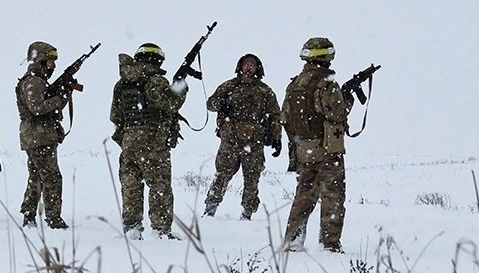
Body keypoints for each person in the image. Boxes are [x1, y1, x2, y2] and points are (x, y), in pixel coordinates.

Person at [281, 38, 353, 253]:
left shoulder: (294, 84)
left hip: (304, 149)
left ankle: (292, 240)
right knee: (332, 195)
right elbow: (337, 113)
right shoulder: (326, 84)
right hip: (327, 149)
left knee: (304, 196)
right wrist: (346, 99)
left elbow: (285, 117)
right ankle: (330, 244)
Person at [110, 43, 187, 239]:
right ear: (158, 60)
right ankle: (161, 231)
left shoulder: (122, 84)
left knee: (131, 186)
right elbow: (171, 104)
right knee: (159, 186)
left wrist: (130, 134)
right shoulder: (155, 81)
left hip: (129, 143)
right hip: (154, 144)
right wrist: (180, 86)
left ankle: (132, 229)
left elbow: (115, 116)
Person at [203, 54, 282, 219]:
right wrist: (220, 104)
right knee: (222, 175)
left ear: (257, 69)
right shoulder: (229, 86)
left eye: (252, 65)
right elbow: (210, 103)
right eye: (246, 65)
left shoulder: (264, 90)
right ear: (240, 66)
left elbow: (275, 115)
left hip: (254, 142)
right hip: (230, 141)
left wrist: (277, 138)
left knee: (252, 178)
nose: (248, 68)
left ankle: (247, 214)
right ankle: (210, 210)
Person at [16, 41, 70, 229]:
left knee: (37, 176)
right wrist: (58, 99)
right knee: (52, 177)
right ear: (40, 61)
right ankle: (53, 218)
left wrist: (63, 96)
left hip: (37, 136)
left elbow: (46, 108)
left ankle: (29, 214)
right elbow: (37, 108)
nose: (53, 66)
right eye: (50, 61)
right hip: (38, 136)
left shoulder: (36, 80)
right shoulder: (34, 81)